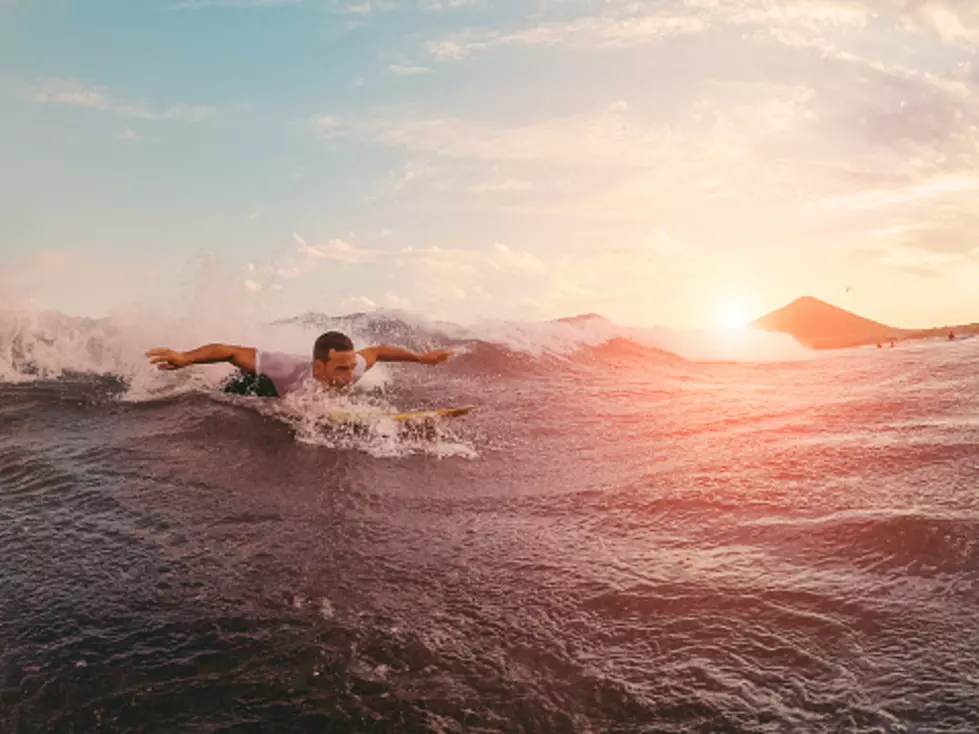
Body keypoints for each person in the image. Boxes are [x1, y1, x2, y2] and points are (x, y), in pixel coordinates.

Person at [145, 331, 454, 398]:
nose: (351, 375)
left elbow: (379, 351)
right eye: (341, 370)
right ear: (319, 368)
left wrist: (422, 359)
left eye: (351, 367)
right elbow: (229, 351)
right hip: (259, 387)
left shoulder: (355, 365)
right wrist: (185, 359)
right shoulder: (285, 367)